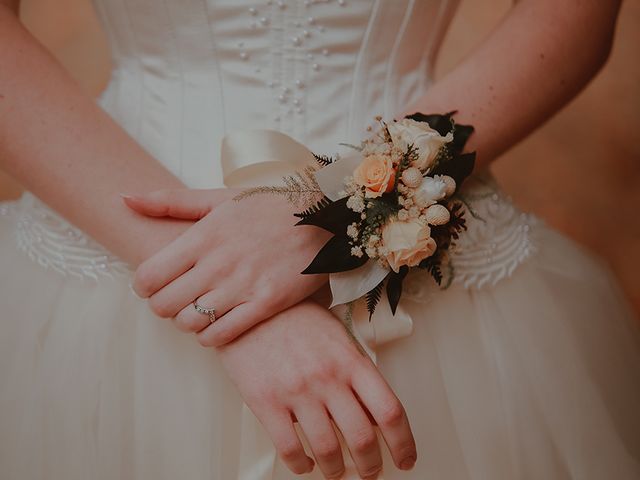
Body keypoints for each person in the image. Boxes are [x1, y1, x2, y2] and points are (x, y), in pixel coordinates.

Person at [0, 0, 638, 479]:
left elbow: (573, 15)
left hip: (431, 269)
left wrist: (338, 214)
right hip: (107, 231)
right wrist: (230, 297)